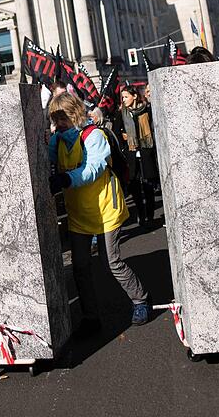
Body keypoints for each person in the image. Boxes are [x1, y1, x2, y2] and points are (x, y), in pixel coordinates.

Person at [48, 91, 150, 331]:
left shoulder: (94, 136)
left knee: (112, 262)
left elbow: (93, 168)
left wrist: (65, 179)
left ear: (75, 114)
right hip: (79, 213)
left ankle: (140, 300)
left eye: (62, 118)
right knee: (80, 267)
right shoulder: (57, 140)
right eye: (55, 119)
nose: (58, 124)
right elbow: (47, 161)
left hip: (105, 208)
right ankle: (90, 317)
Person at [117, 85, 155, 224]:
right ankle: (141, 213)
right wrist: (124, 143)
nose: (123, 100)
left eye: (126, 97)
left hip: (146, 153)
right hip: (131, 155)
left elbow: (153, 129)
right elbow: (116, 133)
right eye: (122, 97)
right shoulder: (122, 114)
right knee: (134, 186)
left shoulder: (146, 110)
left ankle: (150, 216)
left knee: (148, 186)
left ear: (134, 96)